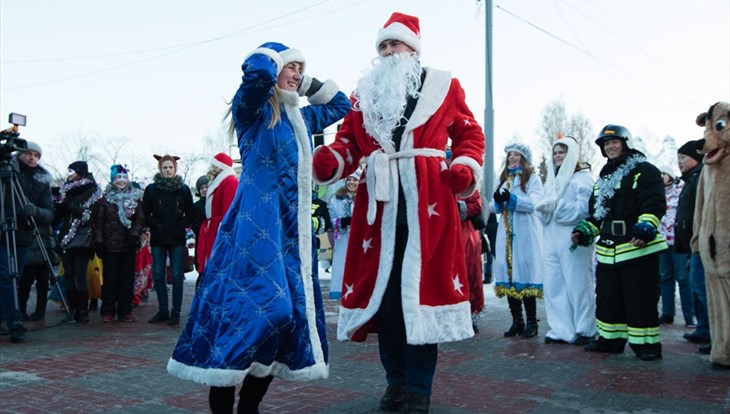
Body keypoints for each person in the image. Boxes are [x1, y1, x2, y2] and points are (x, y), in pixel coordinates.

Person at [312, 12, 486, 413]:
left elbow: (470, 133)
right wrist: (333, 160)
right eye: (383, 46)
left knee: (421, 302)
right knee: (386, 306)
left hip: (429, 209)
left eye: (396, 44)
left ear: (414, 48)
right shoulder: (364, 93)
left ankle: (419, 389)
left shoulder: (444, 85)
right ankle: (395, 384)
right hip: (379, 211)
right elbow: (349, 142)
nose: (389, 52)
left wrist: (464, 166)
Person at [167, 41, 350, 414]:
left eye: (302, 67)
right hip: (252, 232)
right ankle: (222, 404)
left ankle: (248, 407)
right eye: (292, 67)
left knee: (284, 320)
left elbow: (340, 105)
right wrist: (277, 63)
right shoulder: (251, 110)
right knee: (260, 312)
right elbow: (260, 72)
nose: (297, 73)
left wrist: (303, 79)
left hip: (289, 236)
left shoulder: (302, 117)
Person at [574, 125, 667, 361]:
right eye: (606, 144)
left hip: (637, 248)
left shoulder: (645, 171)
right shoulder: (603, 177)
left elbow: (654, 203)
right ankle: (610, 341)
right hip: (608, 250)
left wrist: (646, 227)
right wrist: (585, 230)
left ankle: (646, 345)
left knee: (640, 299)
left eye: (614, 142)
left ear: (626, 143)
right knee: (607, 298)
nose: (610, 147)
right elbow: (597, 214)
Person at [535, 137, 596, 345]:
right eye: (555, 152)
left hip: (573, 237)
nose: (557, 156)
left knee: (578, 284)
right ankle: (561, 329)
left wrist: (558, 207)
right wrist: (543, 210)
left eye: (562, 152)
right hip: (551, 238)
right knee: (554, 285)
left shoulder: (582, 178)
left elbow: (585, 209)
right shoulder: (552, 181)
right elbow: (545, 213)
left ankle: (585, 328)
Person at [1, 142, 54, 341]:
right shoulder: (6, 171)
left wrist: (35, 210)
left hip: (23, 235)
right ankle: (13, 320)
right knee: (6, 276)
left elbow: (49, 213)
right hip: (3, 233)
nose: (32, 158)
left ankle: (11, 317)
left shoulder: (41, 181)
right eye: (28, 154)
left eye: (36, 155)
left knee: (15, 278)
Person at [491, 142, 544, 340]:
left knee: (525, 272)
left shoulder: (532, 179)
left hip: (525, 233)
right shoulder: (503, 179)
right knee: (509, 274)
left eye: (516, 155)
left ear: (523, 158)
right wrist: (497, 200)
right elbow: (492, 207)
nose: (512, 158)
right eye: (509, 155)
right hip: (505, 235)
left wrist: (512, 199)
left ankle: (532, 322)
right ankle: (517, 320)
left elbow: (534, 203)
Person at [142, 154, 194, 326]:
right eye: (165, 167)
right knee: (158, 274)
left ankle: (176, 311)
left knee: (177, 275)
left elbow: (190, 213)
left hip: (177, 238)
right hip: (158, 237)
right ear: (160, 169)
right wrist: (156, 224)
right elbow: (145, 213)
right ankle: (163, 309)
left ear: (175, 169)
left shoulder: (183, 189)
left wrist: (181, 226)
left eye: (170, 167)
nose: (168, 170)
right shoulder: (151, 189)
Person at [94, 164, 145, 322]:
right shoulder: (105, 200)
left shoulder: (135, 198)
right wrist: (99, 243)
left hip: (128, 245)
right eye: (118, 178)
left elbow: (139, 219)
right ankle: (107, 310)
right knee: (110, 279)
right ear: (113, 180)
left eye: (124, 178)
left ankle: (125, 310)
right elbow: (99, 223)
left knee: (126, 279)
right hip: (110, 246)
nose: (121, 181)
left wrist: (134, 236)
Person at [674, 139, 711, 352]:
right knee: (697, 287)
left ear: (695, 159)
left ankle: (716, 334)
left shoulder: (701, 176)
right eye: (678, 158)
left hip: (701, 242)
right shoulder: (691, 179)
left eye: (683, 158)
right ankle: (704, 329)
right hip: (691, 243)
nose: (679, 162)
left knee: (702, 287)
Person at [54, 161, 102, 324]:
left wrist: (67, 204)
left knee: (80, 275)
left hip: (82, 236)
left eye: (71, 171)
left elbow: (86, 214)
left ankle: (83, 311)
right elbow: (59, 215)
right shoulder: (65, 190)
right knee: (68, 274)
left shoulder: (91, 189)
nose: (69, 174)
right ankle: (72, 309)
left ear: (80, 172)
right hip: (66, 235)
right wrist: (57, 203)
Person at [656, 165, 694, 327]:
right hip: (661, 242)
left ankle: (689, 315)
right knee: (665, 278)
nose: (661, 177)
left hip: (678, 242)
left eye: (663, 174)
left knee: (683, 278)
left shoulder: (681, 190)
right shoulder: (657, 193)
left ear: (670, 176)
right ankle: (667, 313)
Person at [195, 153, 238, 274]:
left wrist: (223, 230)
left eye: (213, 166)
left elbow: (229, 212)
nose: (211, 169)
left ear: (220, 167)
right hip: (213, 228)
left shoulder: (230, 182)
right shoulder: (220, 182)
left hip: (219, 229)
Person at [327, 169, 359, 299]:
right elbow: (331, 218)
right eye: (349, 179)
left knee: (359, 262)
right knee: (341, 262)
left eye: (355, 180)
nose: (351, 182)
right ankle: (338, 290)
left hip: (359, 237)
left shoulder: (365, 197)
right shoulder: (336, 199)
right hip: (342, 236)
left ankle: (358, 290)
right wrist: (342, 221)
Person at [457, 189, 486, 333]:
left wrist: (459, 207)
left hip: (466, 235)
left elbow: (477, 206)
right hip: (450, 233)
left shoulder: (469, 185)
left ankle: (470, 316)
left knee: (470, 275)